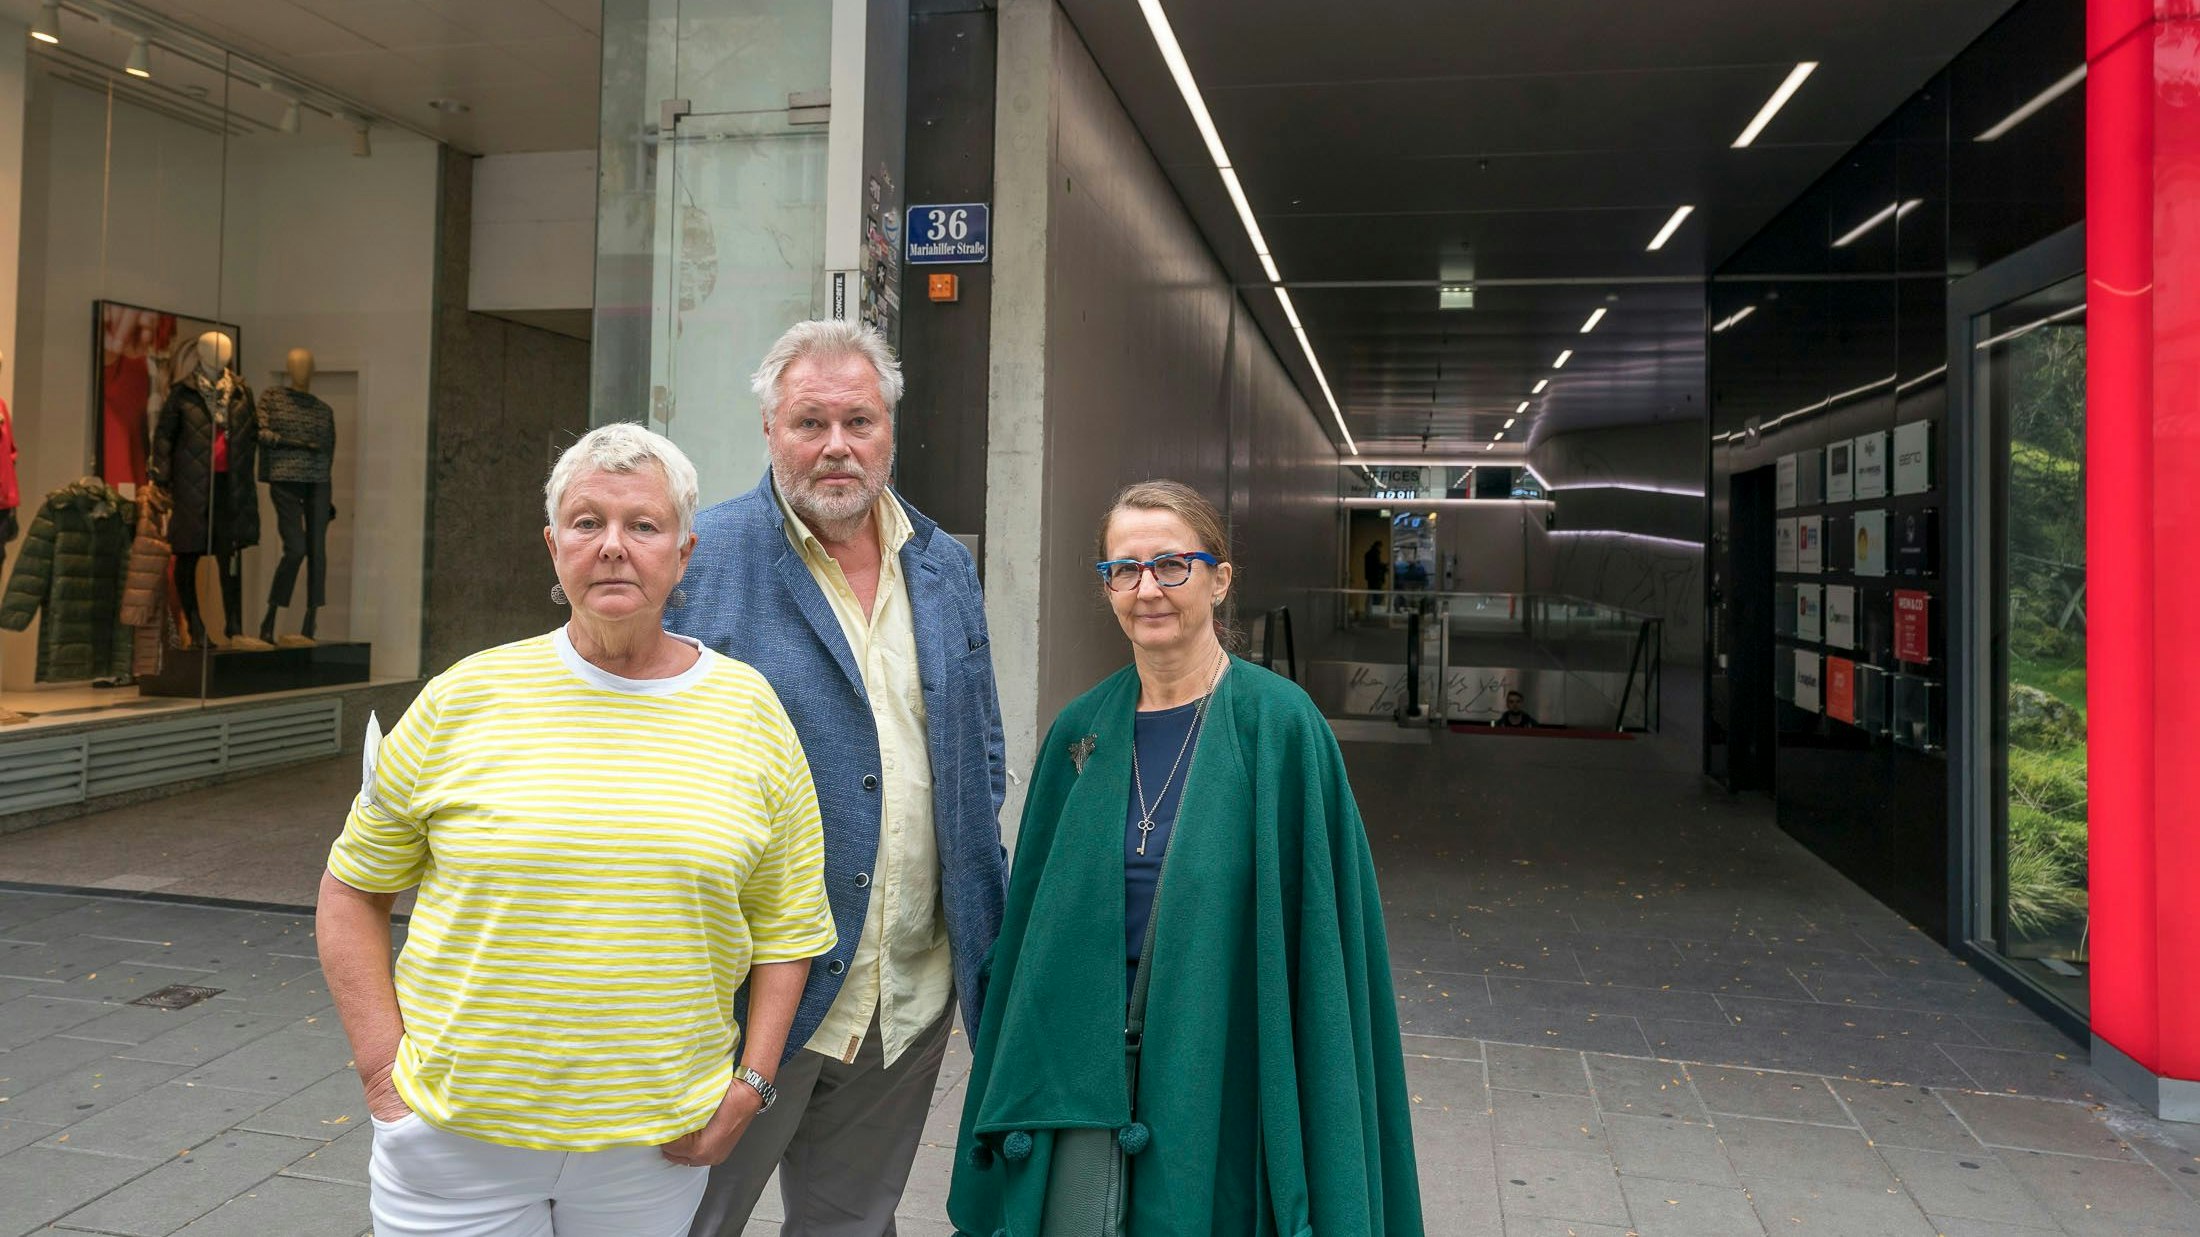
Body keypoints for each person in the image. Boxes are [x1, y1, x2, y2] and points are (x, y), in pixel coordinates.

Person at [316, 424, 837, 1236]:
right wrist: (383, 1075)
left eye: (643, 524)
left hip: (655, 1148)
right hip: (456, 1141)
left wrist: (753, 1085)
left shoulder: (751, 713)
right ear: (554, 546)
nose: (613, 547)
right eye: (588, 523)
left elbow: (790, 924)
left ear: (685, 551)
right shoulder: (465, 697)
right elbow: (352, 890)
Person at [948, 480, 1424, 1236]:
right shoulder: (1080, 731)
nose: (1148, 589)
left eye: (1172, 565)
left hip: (1225, 1044)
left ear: (1219, 578)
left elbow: (1323, 939)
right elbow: (1036, 931)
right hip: (1088, 1067)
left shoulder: (1281, 727)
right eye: (1124, 569)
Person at [674, 320, 1007, 1237]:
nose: (835, 445)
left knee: (851, 1226)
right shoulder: (703, 557)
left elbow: (980, 749)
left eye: (858, 421)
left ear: (890, 431)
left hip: (908, 988)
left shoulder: (943, 566)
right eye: (807, 422)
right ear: (770, 434)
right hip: (752, 994)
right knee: (691, 1221)